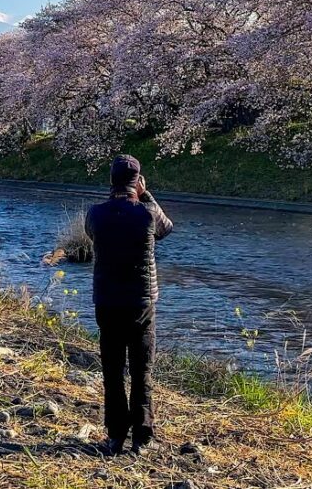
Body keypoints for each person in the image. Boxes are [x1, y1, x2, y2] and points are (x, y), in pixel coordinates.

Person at [84, 154, 174, 455]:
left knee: (112, 370)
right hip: (141, 302)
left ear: (111, 181)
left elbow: (91, 234)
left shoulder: (96, 214)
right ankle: (142, 437)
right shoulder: (147, 213)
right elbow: (166, 228)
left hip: (107, 301)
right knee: (141, 369)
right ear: (138, 181)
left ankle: (115, 436)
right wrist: (146, 195)